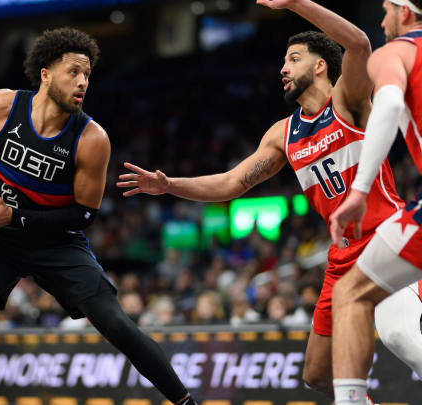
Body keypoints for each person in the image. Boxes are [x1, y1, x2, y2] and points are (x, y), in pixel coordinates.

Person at [118, 1, 403, 402]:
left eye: (293, 59)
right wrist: (169, 185)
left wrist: (293, 3)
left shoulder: (347, 100)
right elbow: (233, 182)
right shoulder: (282, 134)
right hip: (341, 256)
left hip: (386, 237)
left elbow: (358, 43)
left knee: (405, 337)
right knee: (318, 374)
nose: (283, 69)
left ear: (320, 66)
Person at [0, 27, 198, 405]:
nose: (83, 82)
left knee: (117, 324)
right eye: (73, 71)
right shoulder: (1, 106)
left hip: (56, 241)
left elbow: (84, 215)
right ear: (45, 73)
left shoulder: (91, 139)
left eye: (87, 75)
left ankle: (187, 403)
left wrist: (15, 218)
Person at [328, 1, 422, 402]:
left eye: (386, 10)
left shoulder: (396, 52)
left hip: (395, 221)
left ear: (405, 12)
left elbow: (385, 106)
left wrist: (360, 189)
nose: (382, 20)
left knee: (350, 294)